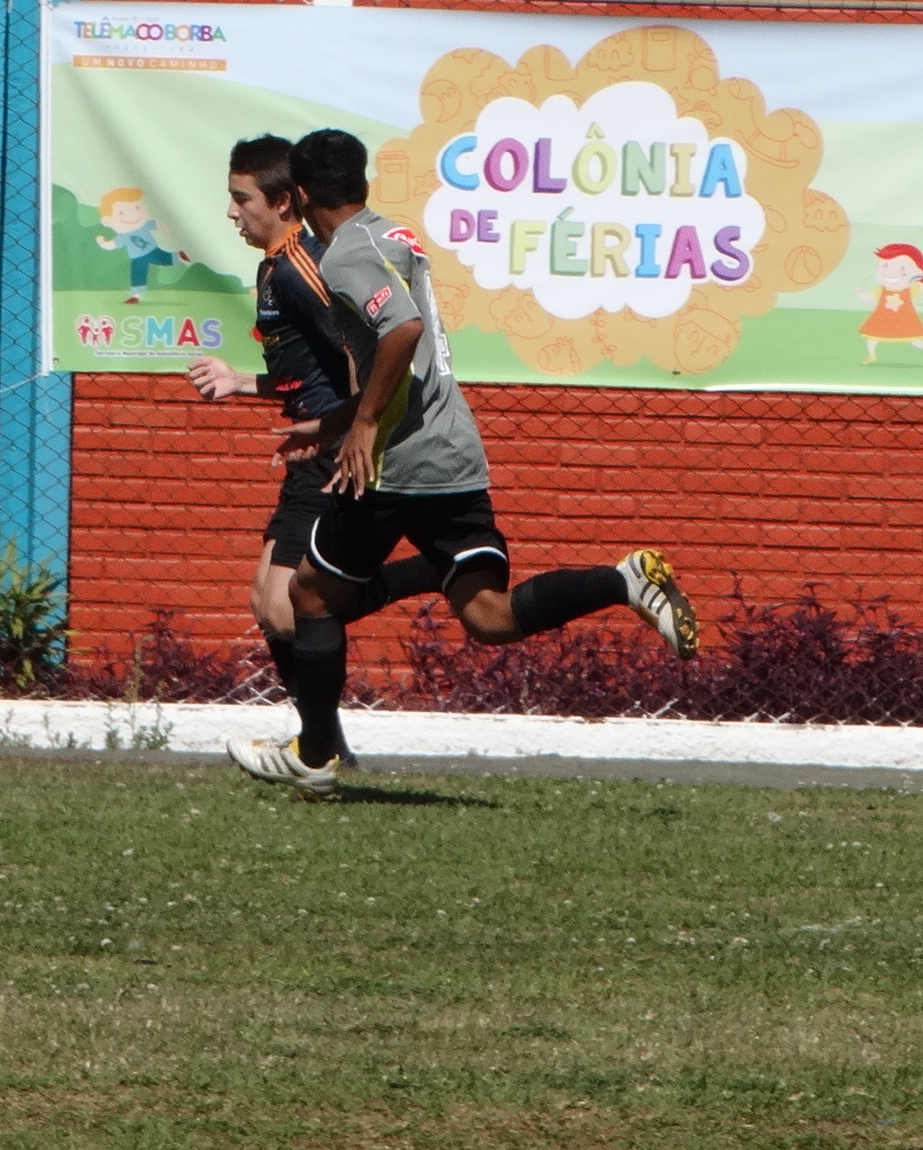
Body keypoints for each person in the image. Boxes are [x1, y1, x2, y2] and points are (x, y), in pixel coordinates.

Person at [225, 129, 700, 800]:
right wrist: (328, 421)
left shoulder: (343, 259)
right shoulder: (395, 237)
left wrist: (359, 427)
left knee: (307, 596)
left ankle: (315, 755)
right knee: (488, 616)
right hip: (454, 451)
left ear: (300, 194)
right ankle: (621, 581)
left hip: (395, 464)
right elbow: (407, 357)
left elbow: (403, 330)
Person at [185, 137, 440, 708]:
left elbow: (359, 354)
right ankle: (318, 740)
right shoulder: (272, 268)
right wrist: (242, 382)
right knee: (268, 604)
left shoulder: (306, 265)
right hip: (311, 444)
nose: (231, 212)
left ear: (282, 202)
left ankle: (432, 573)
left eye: (240, 198)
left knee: (288, 605)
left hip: (330, 451)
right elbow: (310, 372)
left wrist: (352, 433)